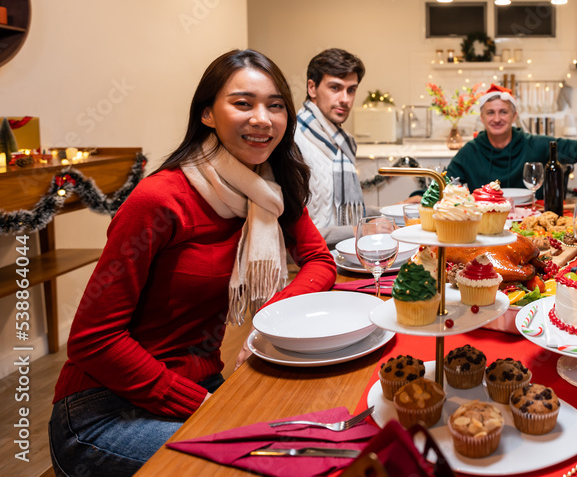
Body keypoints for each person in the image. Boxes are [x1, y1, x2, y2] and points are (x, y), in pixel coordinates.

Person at [49, 50, 337, 475]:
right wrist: (202, 406)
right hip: (105, 409)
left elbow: (318, 260)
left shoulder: (269, 190)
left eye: (275, 105)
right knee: (263, 467)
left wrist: (268, 324)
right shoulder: (159, 199)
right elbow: (93, 339)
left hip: (197, 384)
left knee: (314, 442)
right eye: (243, 103)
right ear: (207, 114)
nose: (263, 118)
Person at [409, 84, 577, 197]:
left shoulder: (536, 144)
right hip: (485, 225)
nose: (497, 119)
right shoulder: (470, 152)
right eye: (491, 113)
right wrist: (419, 195)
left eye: (503, 112)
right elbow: (445, 182)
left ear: (514, 116)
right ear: (482, 118)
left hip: (534, 223)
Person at [294, 48, 367, 245]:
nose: (345, 99)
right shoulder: (293, 141)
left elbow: (338, 211)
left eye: (351, 90)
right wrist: (362, 230)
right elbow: (295, 235)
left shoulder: (342, 142)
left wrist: (389, 212)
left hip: (339, 255)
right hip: (304, 265)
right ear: (312, 88)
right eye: (335, 87)